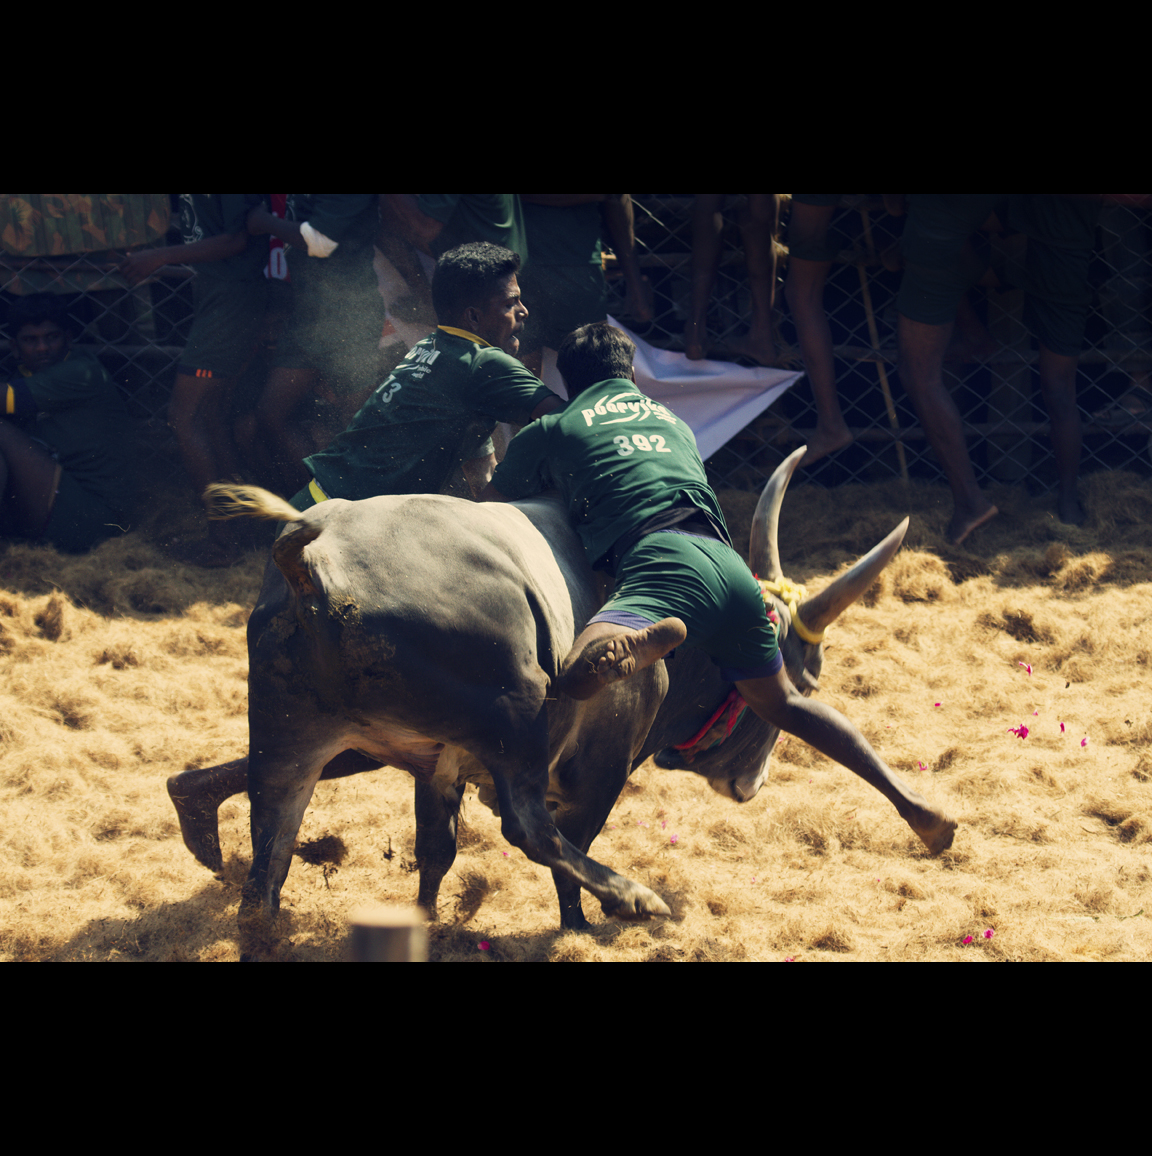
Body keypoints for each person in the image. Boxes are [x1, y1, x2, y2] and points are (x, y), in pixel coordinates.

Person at [482, 321, 956, 853]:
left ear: (567, 381)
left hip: (659, 563)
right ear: (632, 373)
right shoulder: (673, 422)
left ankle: (640, 642)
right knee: (787, 705)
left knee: (574, 675)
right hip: (731, 572)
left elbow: (485, 515)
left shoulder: (555, 427)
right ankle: (912, 801)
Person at [292, 241, 562, 510]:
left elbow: (483, 475)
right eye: (510, 303)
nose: (523, 310)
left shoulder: (433, 348)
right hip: (342, 524)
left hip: (311, 505)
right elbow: (576, 422)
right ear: (473, 318)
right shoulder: (483, 363)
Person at [897, 194, 1101, 542]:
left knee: (1058, 388)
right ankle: (1067, 503)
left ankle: (1056, 498)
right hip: (1047, 243)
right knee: (1059, 389)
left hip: (1050, 249)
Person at [120, 193, 267, 564]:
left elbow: (236, 239)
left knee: (184, 417)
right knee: (212, 417)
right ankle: (241, 527)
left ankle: (223, 540)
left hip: (231, 300)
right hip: (219, 295)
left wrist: (161, 255)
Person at [2, 294, 135, 551]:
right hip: (49, 505)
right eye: (31, 340)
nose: (43, 348)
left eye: (52, 337)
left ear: (69, 338)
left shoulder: (81, 372)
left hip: (94, 521)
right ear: (15, 347)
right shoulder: (22, 376)